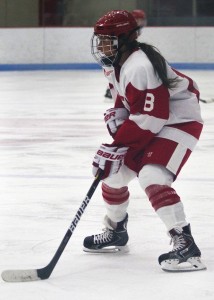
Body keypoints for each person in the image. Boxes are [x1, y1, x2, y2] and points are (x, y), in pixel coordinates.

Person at [83, 10, 206, 272]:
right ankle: (116, 231)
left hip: (178, 122)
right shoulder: (115, 61)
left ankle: (185, 244)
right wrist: (118, 113)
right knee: (113, 174)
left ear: (125, 39)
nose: (102, 45)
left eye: (108, 39)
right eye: (100, 39)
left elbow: (153, 116)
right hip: (152, 121)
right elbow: (127, 98)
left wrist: (117, 145)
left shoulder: (140, 66)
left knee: (152, 176)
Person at [104, 9, 147, 100]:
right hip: (117, 54)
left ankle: (115, 89)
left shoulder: (133, 29)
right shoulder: (127, 29)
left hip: (120, 54)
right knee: (116, 70)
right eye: (140, 19)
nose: (142, 22)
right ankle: (111, 89)